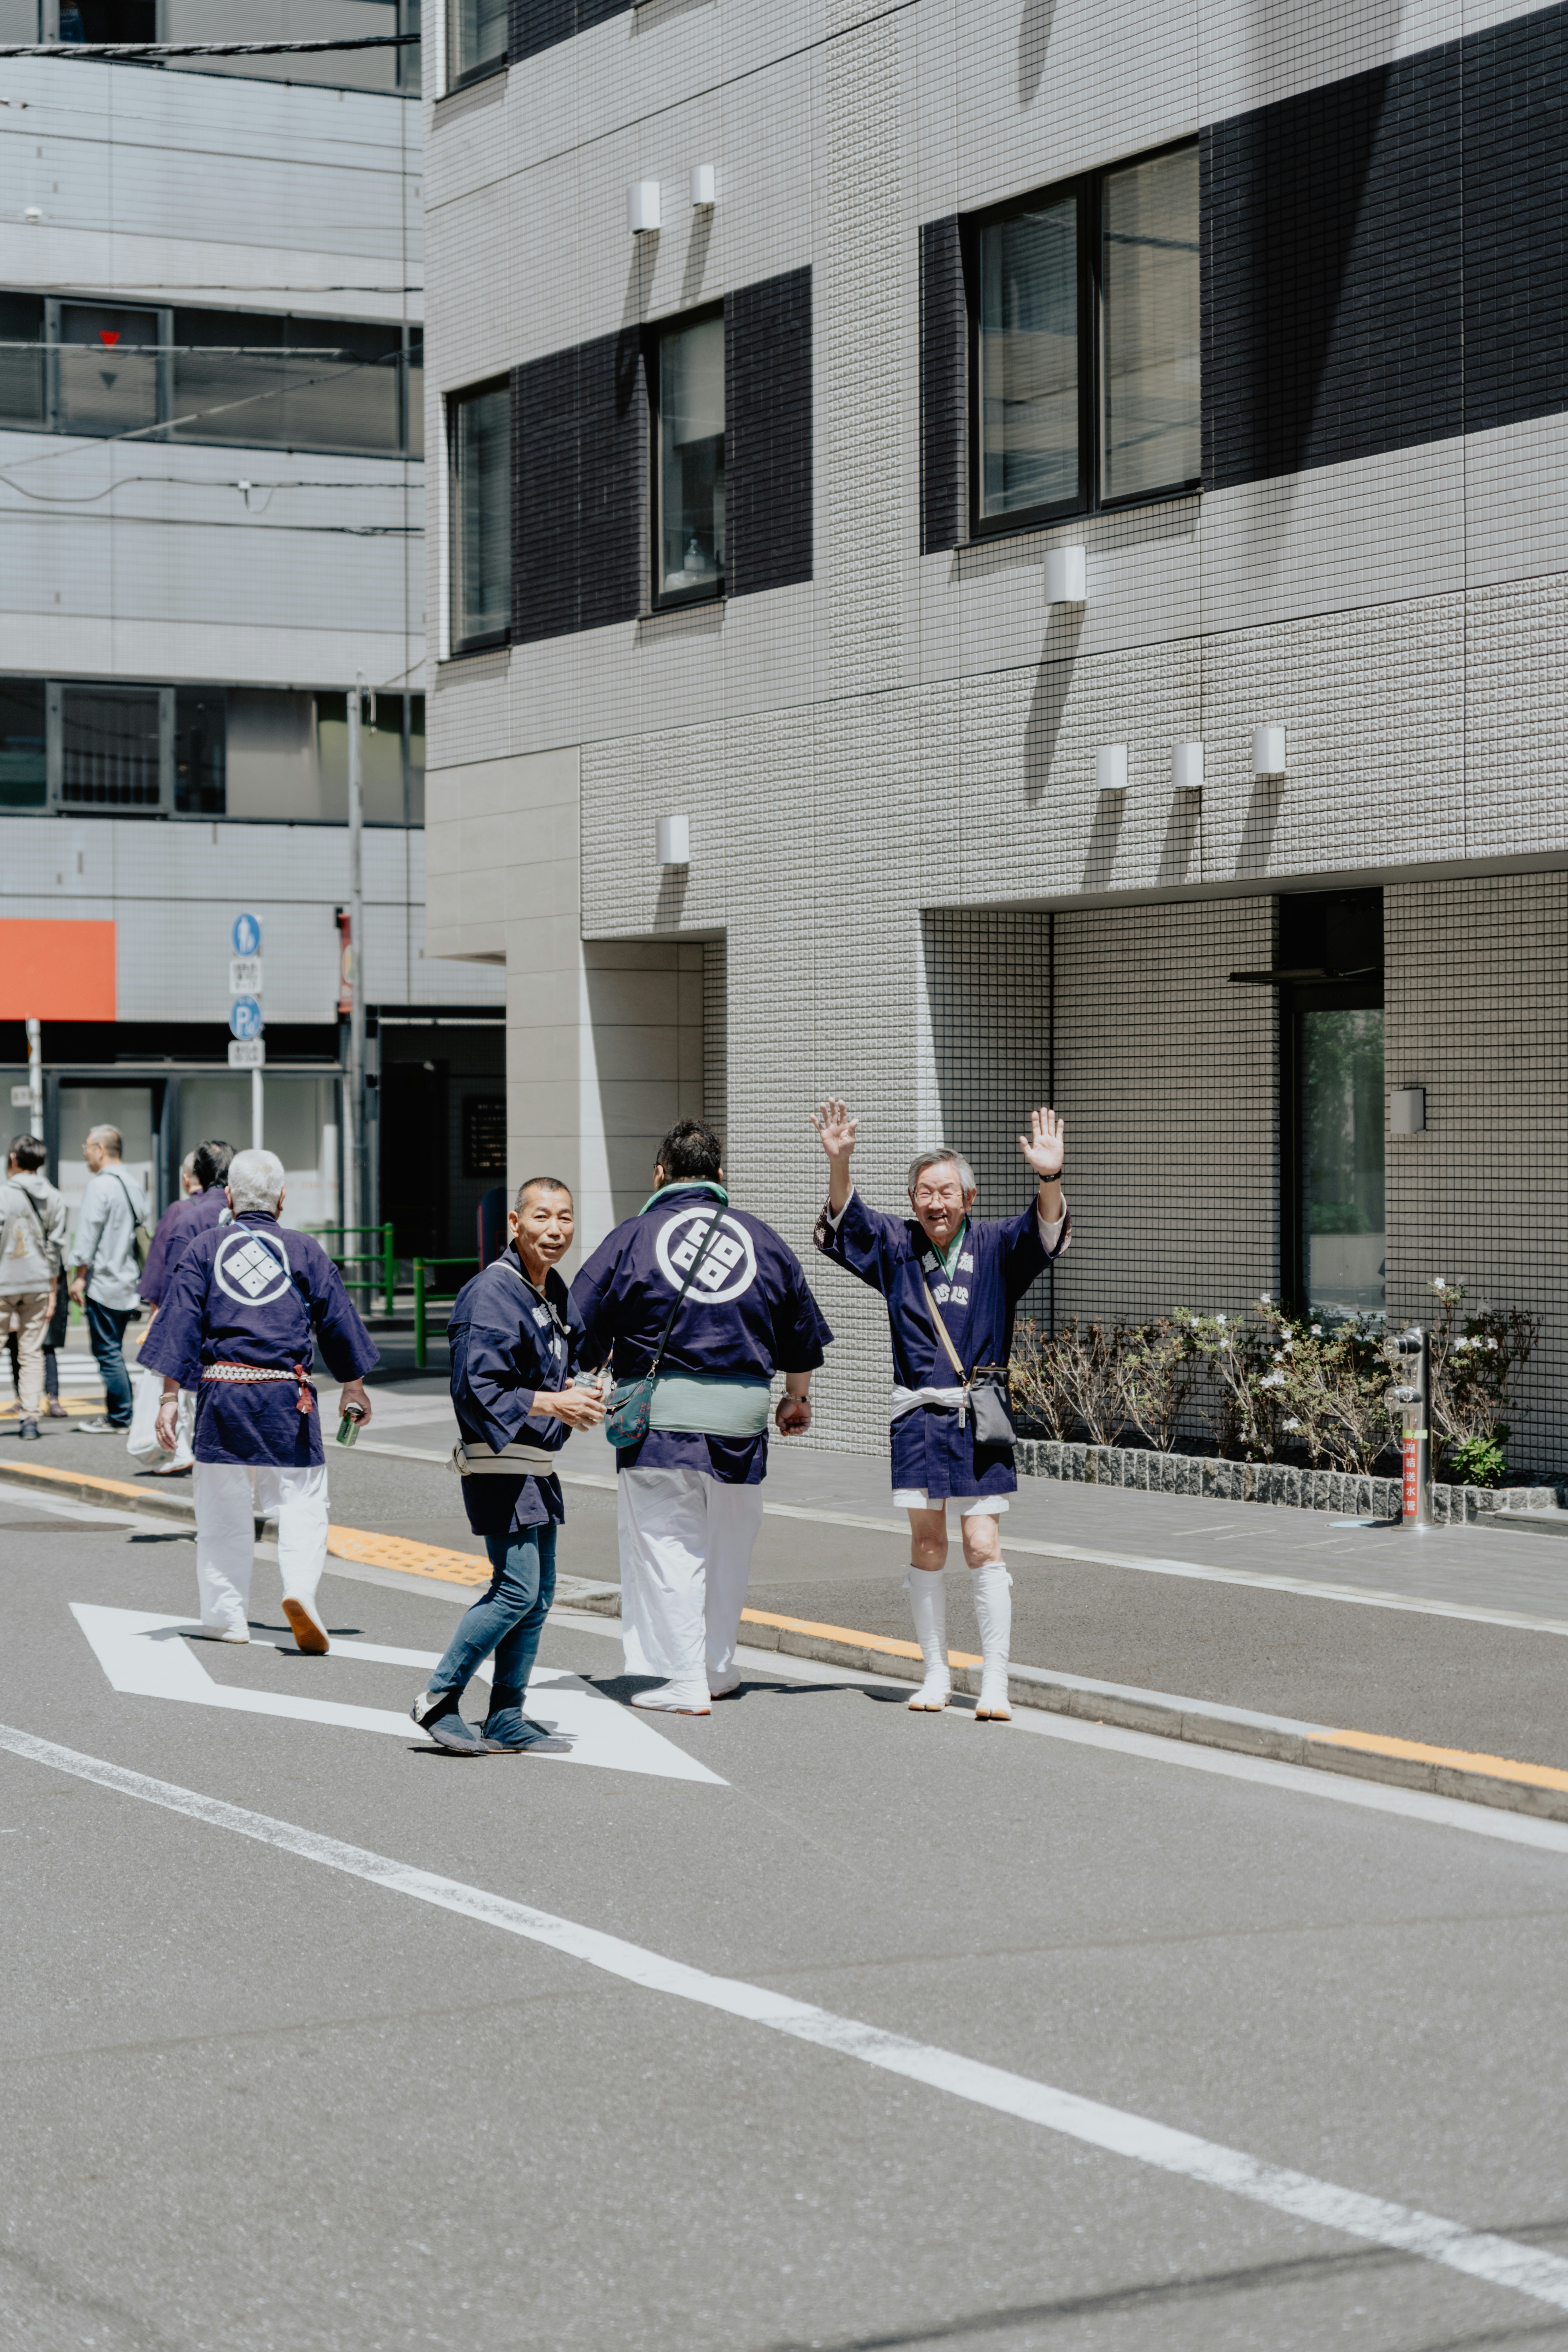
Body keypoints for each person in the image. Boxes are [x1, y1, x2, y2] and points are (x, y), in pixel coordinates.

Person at [810, 1099, 1069, 1722]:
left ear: (970, 1198)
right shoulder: (896, 1243)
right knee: (928, 1546)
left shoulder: (998, 1244)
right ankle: (934, 1673)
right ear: (912, 1199)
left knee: (982, 1543)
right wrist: (839, 1163)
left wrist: (1049, 1178)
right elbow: (846, 1220)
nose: (936, 1203)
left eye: (947, 1191)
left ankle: (996, 1683)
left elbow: (1046, 1228)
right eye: (925, 1192)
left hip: (978, 1414)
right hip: (918, 1418)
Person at [572, 1118, 832, 1715]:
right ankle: (716, 1665)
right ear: (720, 1176)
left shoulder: (634, 1236)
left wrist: (579, 1380)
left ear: (660, 1174)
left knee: (668, 1548)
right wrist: (797, 1399)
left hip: (660, 1424)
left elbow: (582, 1321)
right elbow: (800, 1336)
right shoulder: (762, 1239)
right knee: (727, 1548)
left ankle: (680, 1677)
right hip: (742, 1425)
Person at [138, 1147, 378, 1653]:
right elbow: (336, 1320)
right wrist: (353, 1385)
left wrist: (168, 1398)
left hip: (222, 1394)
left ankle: (227, 1617)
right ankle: (298, 1590)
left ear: (228, 1196)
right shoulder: (304, 1250)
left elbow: (179, 1322)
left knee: (222, 1510)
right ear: (282, 1199)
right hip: (287, 1397)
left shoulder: (205, 1248)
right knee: (303, 1500)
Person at [410, 1177, 605, 1756]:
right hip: (500, 1463)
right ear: (514, 1226)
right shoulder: (490, 1292)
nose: (555, 1229)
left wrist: (582, 1392)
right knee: (516, 1591)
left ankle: (505, 1714)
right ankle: (438, 1700)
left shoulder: (549, 1290)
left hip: (535, 1466)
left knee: (538, 1594)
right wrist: (554, 1403)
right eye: (542, 1217)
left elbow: (564, 1361)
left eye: (565, 1218)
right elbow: (478, 1387)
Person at [136, 1139, 234, 1475]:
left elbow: (170, 1283)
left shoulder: (185, 1214)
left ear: (194, 1175)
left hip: (202, 1330)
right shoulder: (246, 1214)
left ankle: (183, 1452)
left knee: (188, 1398)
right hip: (244, 1337)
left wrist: (155, 1316)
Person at [69, 1124, 149, 1436]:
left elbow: (88, 1235)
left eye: (87, 1149)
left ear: (100, 1150)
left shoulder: (100, 1186)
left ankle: (120, 1416)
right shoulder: (133, 1185)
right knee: (114, 1349)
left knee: (108, 1352)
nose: (86, 1156)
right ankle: (122, 1413)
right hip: (128, 1281)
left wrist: (79, 1277)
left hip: (104, 1282)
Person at [0, 1136, 68, 1442]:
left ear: (14, 1158)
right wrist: (53, 1290)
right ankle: (30, 1418)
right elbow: (56, 1247)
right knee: (31, 1353)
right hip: (39, 1283)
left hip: (4, 1282)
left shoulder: (3, 1195)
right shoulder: (55, 1197)